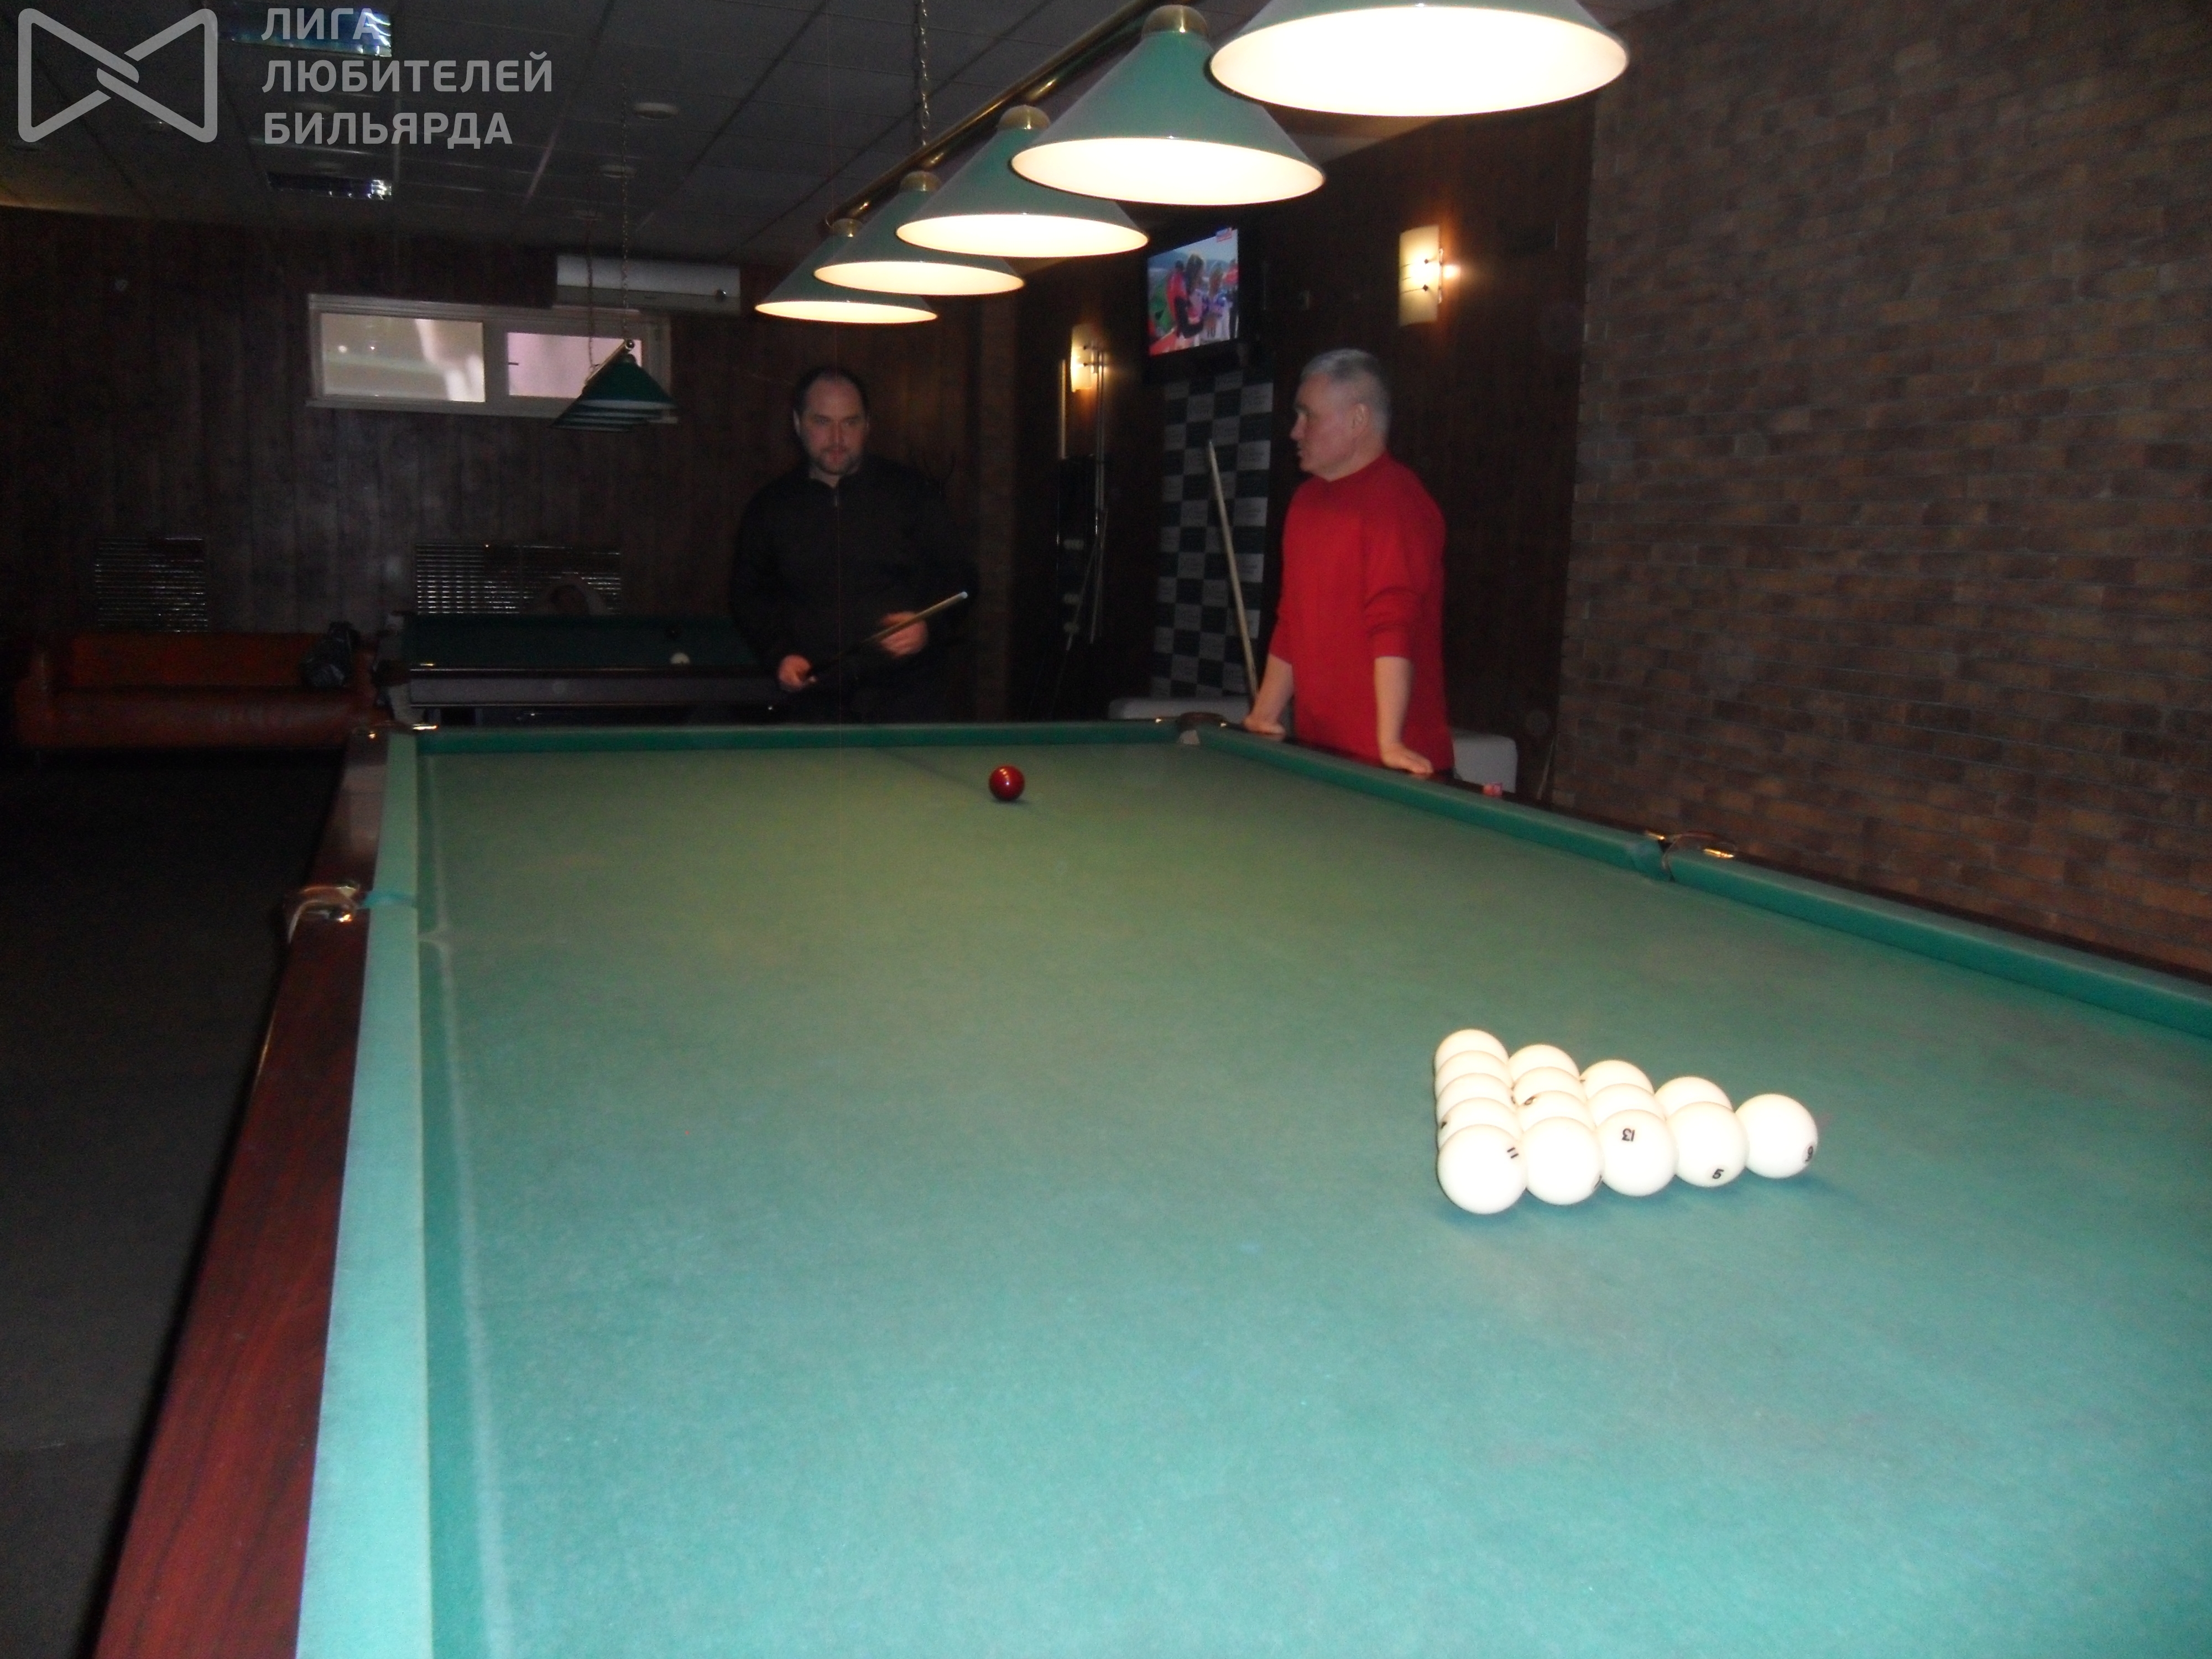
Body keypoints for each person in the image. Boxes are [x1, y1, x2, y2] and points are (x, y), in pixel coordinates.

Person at [1244, 349, 1452, 778]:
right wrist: (1265, 711)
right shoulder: (1305, 502)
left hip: (1396, 767)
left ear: (1358, 420)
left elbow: (1393, 625)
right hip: (1321, 752)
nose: (1295, 431)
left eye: (1309, 416)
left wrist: (1390, 742)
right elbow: (1292, 619)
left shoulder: (1398, 502)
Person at [730, 366, 975, 722]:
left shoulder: (913, 495)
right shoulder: (771, 507)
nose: (837, 438)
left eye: (850, 422)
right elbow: (749, 597)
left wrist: (928, 628)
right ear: (798, 424)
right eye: (822, 422)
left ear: (868, 425)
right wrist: (780, 654)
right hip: (814, 703)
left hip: (906, 701)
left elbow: (963, 583)